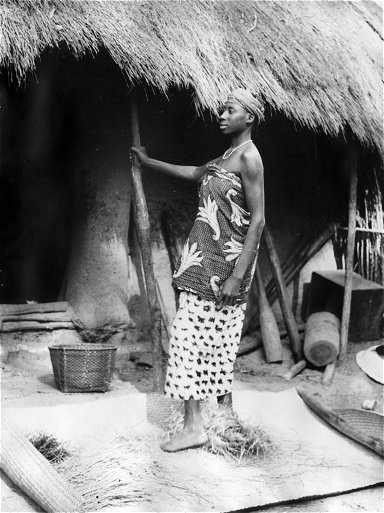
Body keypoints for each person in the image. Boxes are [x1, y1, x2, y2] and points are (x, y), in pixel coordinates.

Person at [131, 88, 265, 452]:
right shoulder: (227, 155)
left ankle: (194, 427)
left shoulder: (250, 158)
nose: (221, 115)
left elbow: (258, 221)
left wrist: (237, 275)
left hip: (224, 266)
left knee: (189, 340)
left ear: (249, 117)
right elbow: (194, 172)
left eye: (230, 110)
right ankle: (222, 417)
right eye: (221, 109)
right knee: (211, 340)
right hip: (203, 261)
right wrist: (149, 161)